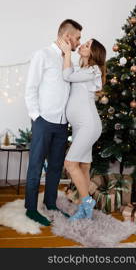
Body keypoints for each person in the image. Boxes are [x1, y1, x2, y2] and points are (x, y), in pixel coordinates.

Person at [24, 19, 82, 226]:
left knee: (56, 167)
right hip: (43, 121)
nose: (78, 42)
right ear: (67, 36)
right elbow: (31, 88)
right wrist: (36, 117)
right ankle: (31, 208)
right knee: (36, 165)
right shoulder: (43, 55)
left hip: (61, 123)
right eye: (77, 37)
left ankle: (50, 204)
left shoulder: (69, 60)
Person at [58, 38, 106, 221]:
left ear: (94, 53)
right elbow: (70, 73)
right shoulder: (82, 70)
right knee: (84, 166)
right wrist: (67, 56)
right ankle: (85, 210)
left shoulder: (94, 70)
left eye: (87, 45)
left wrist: (68, 53)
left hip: (89, 125)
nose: (82, 46)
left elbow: (67, 76)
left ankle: (87, 202)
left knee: (70, 164)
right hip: (80, 126)